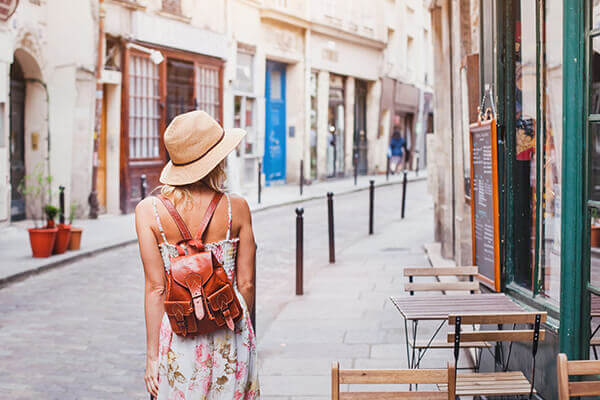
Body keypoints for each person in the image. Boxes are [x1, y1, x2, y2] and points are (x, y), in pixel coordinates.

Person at [135, 110, 260, 399]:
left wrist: (152, 357)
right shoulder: (236, 208)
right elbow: (247, 284)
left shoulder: (148, 212)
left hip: (180, 332)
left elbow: (155, 288)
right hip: (231, 328)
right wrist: (237, 325)